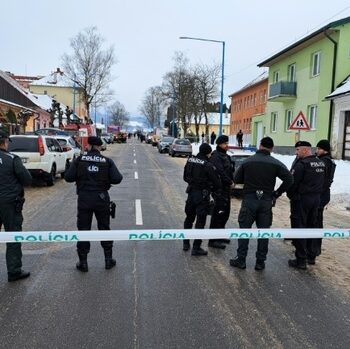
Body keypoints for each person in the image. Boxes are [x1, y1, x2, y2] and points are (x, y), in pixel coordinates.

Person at [229, 137, 293, 270]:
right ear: (272, 148)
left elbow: (236, 178)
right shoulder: (276, 163)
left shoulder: (248, 161)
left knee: (244, 231)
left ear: (260, 145)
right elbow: (289, 179)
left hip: (249, 199)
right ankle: (260, 262)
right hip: (266, 201)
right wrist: (277, 193)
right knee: (263, 232)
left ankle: (241, 260)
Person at [64, 136, 123, 272]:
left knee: (83, 230)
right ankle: (108, 260)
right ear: (99, 147)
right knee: (104, 228)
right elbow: (117, 179)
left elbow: (68, 178)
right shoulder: (107, 161)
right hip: (101, 199)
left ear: (89, 146)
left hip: (84, 198)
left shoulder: (80, 160)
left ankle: (83, 262)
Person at [287, 141, 325, 270]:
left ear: (304, 150)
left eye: (297, 150)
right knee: (311, 226)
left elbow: (292, 183)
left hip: (302, 200)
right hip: (315, 199)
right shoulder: (320, 163)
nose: (296, 153)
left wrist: (291, 195)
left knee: (299, 227)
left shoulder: (301, 165)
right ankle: (310, 255)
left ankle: (301, 260)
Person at [0, 130, 32, 282]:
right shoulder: (12, 159)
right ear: (5, 142)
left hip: (8, 202)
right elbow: (26, 179)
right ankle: (14, 271)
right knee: (13, 236)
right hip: (10, 204)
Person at [183, 143, 221, 256]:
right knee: (200, 222)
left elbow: (185, 177)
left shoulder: (190, 161)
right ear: (208, 153)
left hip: (191, 194)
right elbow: (217, 183)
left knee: (189, 219)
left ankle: (185, 243)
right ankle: (196, 247)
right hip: (202, 196)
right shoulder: (208, 165)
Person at [208, 135, 235, 249]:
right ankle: (213, 240)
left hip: (226, 190)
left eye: (227, 143)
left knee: (225, 213)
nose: (227, 145)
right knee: (217, 214)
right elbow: (220, 172)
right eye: (225, 143)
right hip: (219, 190)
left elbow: (229, 170)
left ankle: (220, 235)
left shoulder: (226, 156)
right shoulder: (215, 157)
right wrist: (229, 182)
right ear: (219, 144)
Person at [314, 139, 336, 260]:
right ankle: (314, 250)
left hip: (319, 195)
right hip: (323, 195)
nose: (316, 151)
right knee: (317, 222)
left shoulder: (324, 162)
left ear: (325, 150)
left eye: (318, 149)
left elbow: (322, 181)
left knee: (315, 223)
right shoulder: (328, 161)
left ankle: (313, 251)